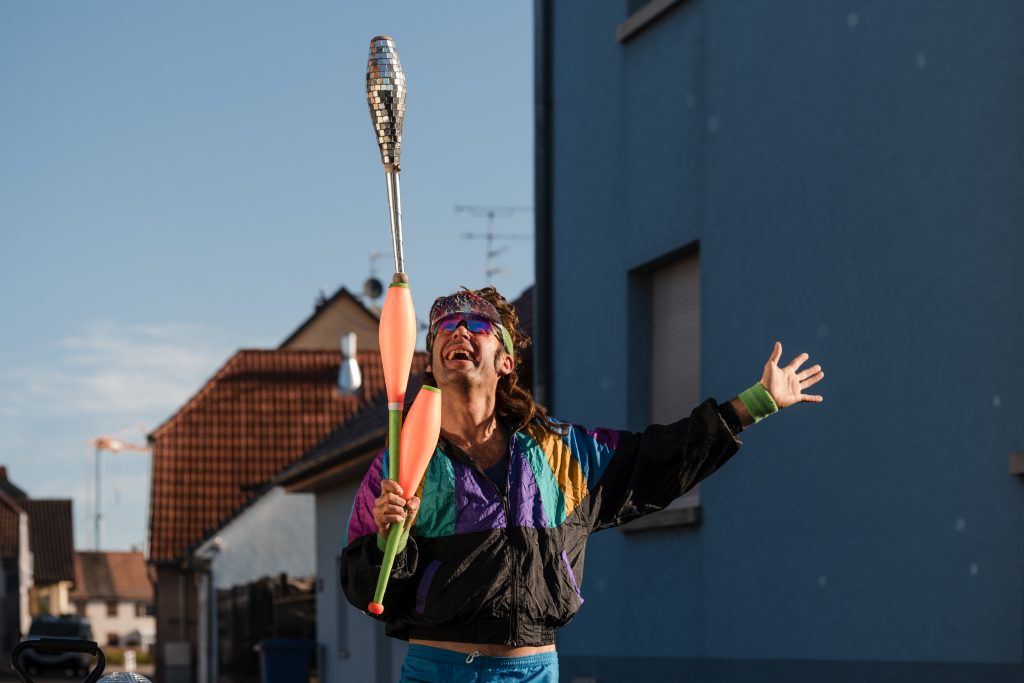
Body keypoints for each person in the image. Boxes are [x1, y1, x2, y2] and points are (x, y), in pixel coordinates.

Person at [341, 287, 825, 682]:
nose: (459, 330)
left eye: (477, 324)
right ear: (432, 360)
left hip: (532, 672)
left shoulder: (562, 453)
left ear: (506, 362)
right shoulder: (400, 463)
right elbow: (362, 587)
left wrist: (755, 404)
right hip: (437, 671)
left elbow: (658, 458)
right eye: (445, 326)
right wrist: (388, 540)